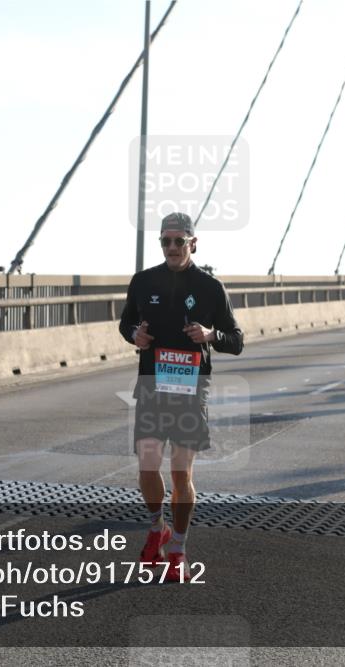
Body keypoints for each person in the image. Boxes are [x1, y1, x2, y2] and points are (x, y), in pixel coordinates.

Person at [119, 212, 243, 582]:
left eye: (178, 241)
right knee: (147, 467)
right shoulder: (143, 281)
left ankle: (178, 549)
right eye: (165, 241)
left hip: (191, 388)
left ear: (193, 243)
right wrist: (133, 337)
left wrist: (210, 335)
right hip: (153, 382)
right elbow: (125, 322)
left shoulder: (210, 287)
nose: (171, 248)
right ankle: (158, 527)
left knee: (179, 472)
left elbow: (236, 340)